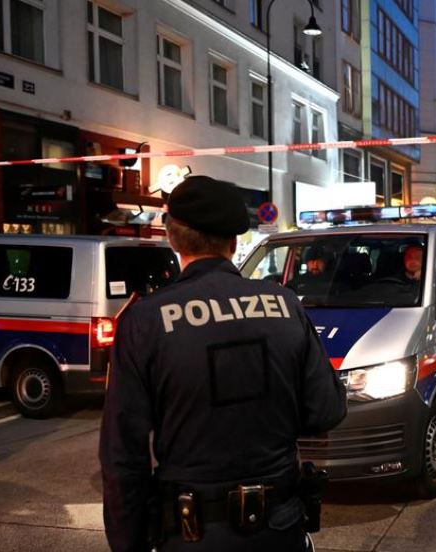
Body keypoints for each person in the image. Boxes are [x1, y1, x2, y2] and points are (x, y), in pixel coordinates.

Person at [99, 175, 347, 552]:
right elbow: (326, 410)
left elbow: (122, 457)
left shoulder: (144, 321)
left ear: (173, 238)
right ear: (233, 242)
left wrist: (128, 544)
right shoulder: (284, 305)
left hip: (190, 533)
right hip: (278, 531)